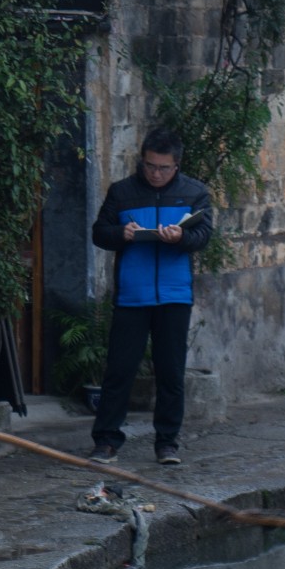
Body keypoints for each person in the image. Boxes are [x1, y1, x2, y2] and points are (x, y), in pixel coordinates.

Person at [87, 127, 214, 466]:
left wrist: (180, 238)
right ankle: (107, 440)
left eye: (164, 168)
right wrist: (121, 233)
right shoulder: (122, 192)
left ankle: (167, 442)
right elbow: (99, 233)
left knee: (170, 372)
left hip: (174, 295)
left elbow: (203, 235)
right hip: (132, 295)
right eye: (150, 166)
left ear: (177, 166)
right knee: (119, 370)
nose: (156, 174)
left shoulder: (194, 193)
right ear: (141, 162)